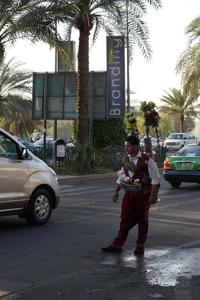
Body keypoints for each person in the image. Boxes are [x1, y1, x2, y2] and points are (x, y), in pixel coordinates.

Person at [102, 135, 160, 255]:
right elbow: (121, 176)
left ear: (135, 146)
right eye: (125, 146)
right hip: (129, 194)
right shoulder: (126, 160)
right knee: (125, 218)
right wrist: (116, 191)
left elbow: (155, 179)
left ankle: (140, 245)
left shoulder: (147, 160)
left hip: (143, 195)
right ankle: (117, 245)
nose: (126, 148)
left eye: (128, 146)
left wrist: (152, 196)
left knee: (142, 220)